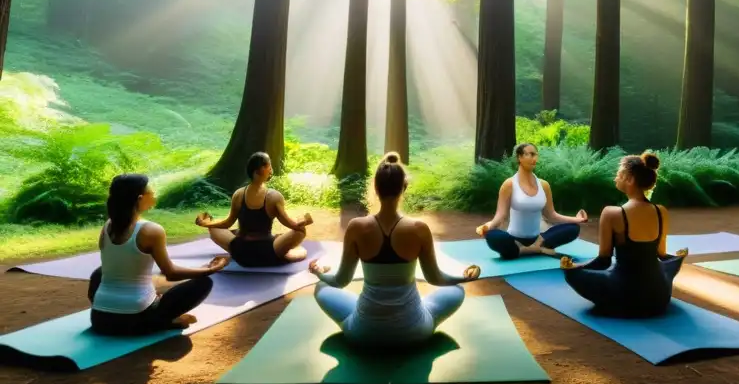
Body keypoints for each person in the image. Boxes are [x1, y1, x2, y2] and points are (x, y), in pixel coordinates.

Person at [308, 152, 480, 349]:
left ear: (376, 187)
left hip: (364, 333)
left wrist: (320, 274)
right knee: (456, 289)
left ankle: (366, 314)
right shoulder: (419, 229)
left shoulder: (357, 227)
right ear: (403, 188)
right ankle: (412, 311)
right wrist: (464, 278)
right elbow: (436, 278)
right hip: (414, 332)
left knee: (322, 288)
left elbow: (340, 281)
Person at [89, 174, 228, 336]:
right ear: (140, 199)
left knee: (102, 271)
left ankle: (151, 313)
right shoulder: (151, 230)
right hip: (135, 319)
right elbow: (171, 273)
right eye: (150, 190)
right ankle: (162, 322)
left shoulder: (107, 227)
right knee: (204, 283)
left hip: (100, 319)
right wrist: (210, 269)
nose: (154, 193)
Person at [560, 152, 687, 318]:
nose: (615, 178)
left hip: (623, 296)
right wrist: (675, 260)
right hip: (659, 296)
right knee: (666, 267)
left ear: (630, 179)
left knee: (572, 274)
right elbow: (662, 255)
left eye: (619, 174)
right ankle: (677, 261)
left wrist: (576, 269)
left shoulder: (611, 213)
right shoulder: (660, 211)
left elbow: (603, 261)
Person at [194, 151, 312, 268]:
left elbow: (227, 223)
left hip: (240, 252)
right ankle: (283, 249)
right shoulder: (274, 196)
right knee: (300, 231)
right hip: (267, 252)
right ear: (261, 169)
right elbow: (290, 224)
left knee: (213, 227)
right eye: (269, 165)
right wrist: (304, 221)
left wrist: (206, 223)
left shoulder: (238, 194)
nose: (271, 169)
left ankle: (232, 234)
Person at [476, 143, 587, 259]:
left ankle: (526, 250)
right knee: (493, 236)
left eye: (536, 155)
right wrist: (488, 227)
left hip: (539, 239)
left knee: (574, 228)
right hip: (514, 240)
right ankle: (532, 249)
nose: (535, 159)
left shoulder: (544, 185)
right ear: (519, 157)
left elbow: (552, 215)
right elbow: (501, 215)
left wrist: (577, 219)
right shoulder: (509, 184)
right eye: (531, 154)